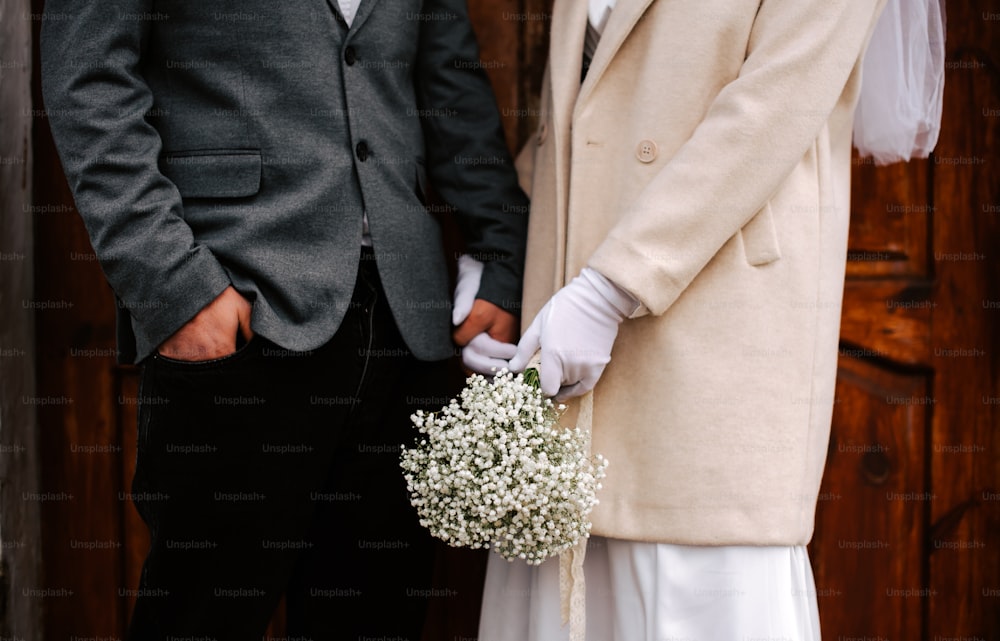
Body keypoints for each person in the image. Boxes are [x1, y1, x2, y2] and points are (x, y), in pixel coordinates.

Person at [40, 1, 527, 639]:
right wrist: (176, 287)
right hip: (241, 313)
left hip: (408, 322)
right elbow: (88, 80)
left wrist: (497, 256)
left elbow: (450, 77)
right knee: (203, 617)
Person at [479, 0, 887, 639]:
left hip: (709, 326)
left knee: (696, 585)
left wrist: (611, 288)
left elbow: (769, 110)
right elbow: (574, 105)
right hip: (563, 309)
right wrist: (500, 261)